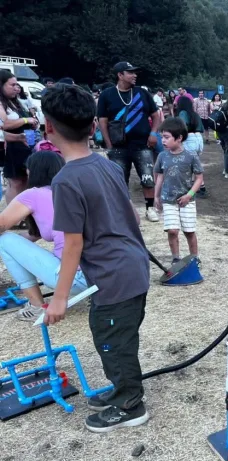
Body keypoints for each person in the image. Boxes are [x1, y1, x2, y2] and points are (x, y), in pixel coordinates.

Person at [42, 84, 151, 433]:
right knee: (116, 336)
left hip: (113, 276)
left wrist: (59, 298)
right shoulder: (107, 165)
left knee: (113, 341)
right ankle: (122, 389)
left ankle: (130, 403)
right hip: (133, 267)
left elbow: (73, 244)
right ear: (93, 127)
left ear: (48, 128)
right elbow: (133, 217)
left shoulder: (65, 181)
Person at [0, 151, 88, 321]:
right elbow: (32, 236)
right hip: (101, 274)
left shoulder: (34, 194)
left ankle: (36, 306)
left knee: (4, 240)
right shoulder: (73, 190)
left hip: (73, 277)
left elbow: (1, 225)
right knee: (12, 243)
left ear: (33, 171)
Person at [97, 62, 161, 222]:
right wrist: (108, 144)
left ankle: (150, 208)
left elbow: (155, 115)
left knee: (147, 178)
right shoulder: (107, 95)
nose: (135, 75)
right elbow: (102, 121)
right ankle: (124, 210)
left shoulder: (142, 93)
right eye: (130, 72)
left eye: (135, 72)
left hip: (143, 144)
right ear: (120, 75)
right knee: (119, 179)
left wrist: (154, 133)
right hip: (118, 146)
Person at [154, 117, 204, 264]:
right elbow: (159, 177)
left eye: (166, 137)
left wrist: (189, 195)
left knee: (189, 231)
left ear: (179, 138)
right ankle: (175, 258)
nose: (163, 140)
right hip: (168, 200)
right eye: (162, 137)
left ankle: (194, 258)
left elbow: (199, 178)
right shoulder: (162, 156)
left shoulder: (191, 156)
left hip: (187, 201)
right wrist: (156, 196)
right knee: (172, 230)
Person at [0, 71, 39, 203]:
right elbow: (4, 124)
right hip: (11, 148)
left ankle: (22, 210)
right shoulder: (1, 103)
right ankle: (13, 212)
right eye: (12, 85)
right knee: (15, 182)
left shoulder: (15, 102)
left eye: (17, 85)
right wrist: (25, 120)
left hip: (25, 145)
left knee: (25, 180)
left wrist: (33, 123)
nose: (16, 88)